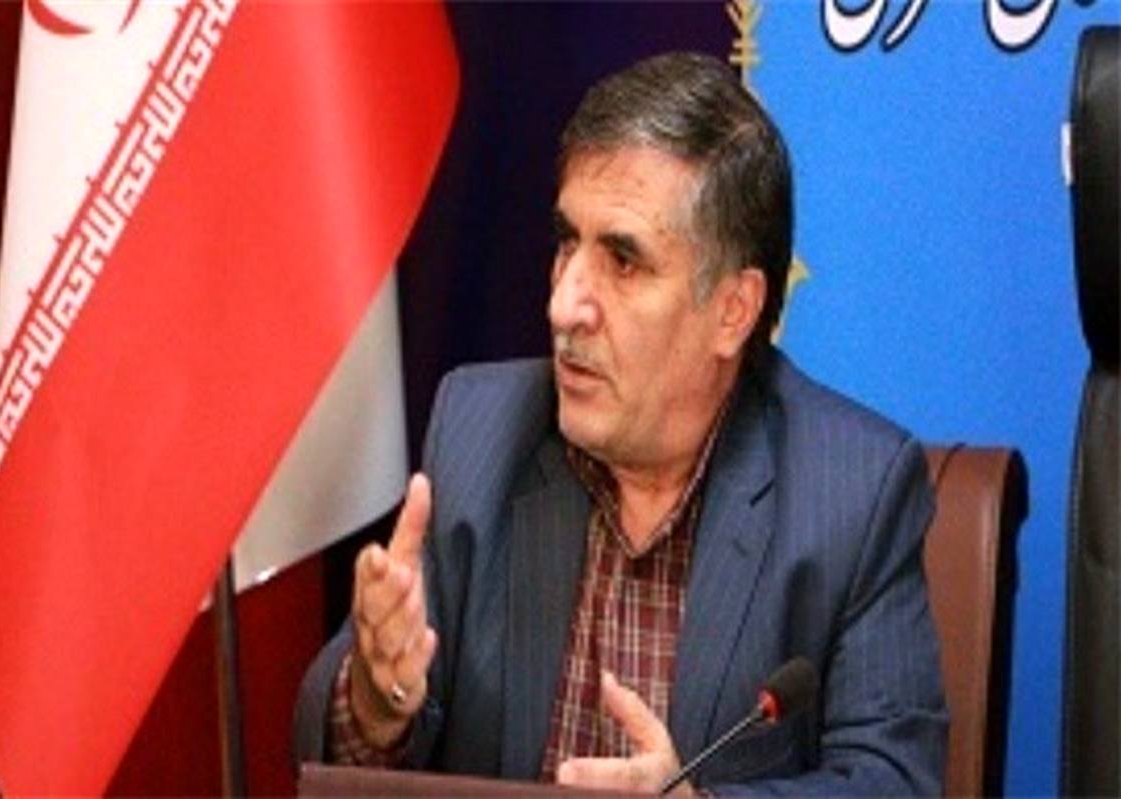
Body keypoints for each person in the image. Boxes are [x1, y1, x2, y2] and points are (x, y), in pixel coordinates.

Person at [294, 52, 947, 795]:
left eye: (624, 262)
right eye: (567, 243)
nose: (564, 305)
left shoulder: (852, 493)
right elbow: (329, 730)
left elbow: (894, 779)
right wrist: (378, 703)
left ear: (732, 311)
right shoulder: (480, 431)